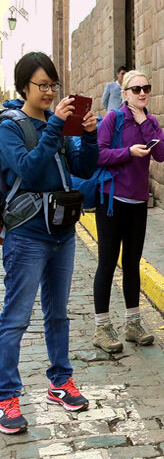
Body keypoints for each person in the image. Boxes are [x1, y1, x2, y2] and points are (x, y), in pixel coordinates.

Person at [0, 52, 98, 434]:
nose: (49, 91)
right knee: (16, 318)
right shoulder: (9, 127)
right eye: (43, 85)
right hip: (26, 236)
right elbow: (27, 168)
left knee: (58, 313)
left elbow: (84, 168)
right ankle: (7, 397)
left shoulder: (57, 126)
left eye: (53, 85)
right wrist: (55, 126)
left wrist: (87, 136)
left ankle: (60, 382)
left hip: (62, 232)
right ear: (24, 86)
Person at [91, 70, 164, 353]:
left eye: (145, 88)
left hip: (137, 203)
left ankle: (132, 323)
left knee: (133, 263)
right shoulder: (113, 119)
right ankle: (102, 326)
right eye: (135, 89)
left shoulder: (150, 122)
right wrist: (128, 153)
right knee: (108, 262)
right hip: (111, 200)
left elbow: (161, 153)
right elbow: (97, 154)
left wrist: (144, 123)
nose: (141, 93)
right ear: (124, 93)